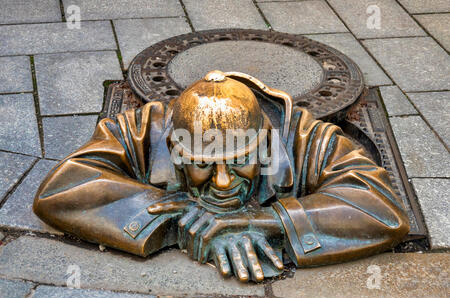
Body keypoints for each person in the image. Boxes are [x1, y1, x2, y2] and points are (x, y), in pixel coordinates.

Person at [33, 70, 409, 282]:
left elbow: (381, 209)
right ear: (177, 151)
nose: (224, 182)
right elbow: (62, 189)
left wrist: (262, 221)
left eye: (240, 161)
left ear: (263, 146)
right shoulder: (144, 129)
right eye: (201, 164)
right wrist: (178, 219)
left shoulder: (307, 138)